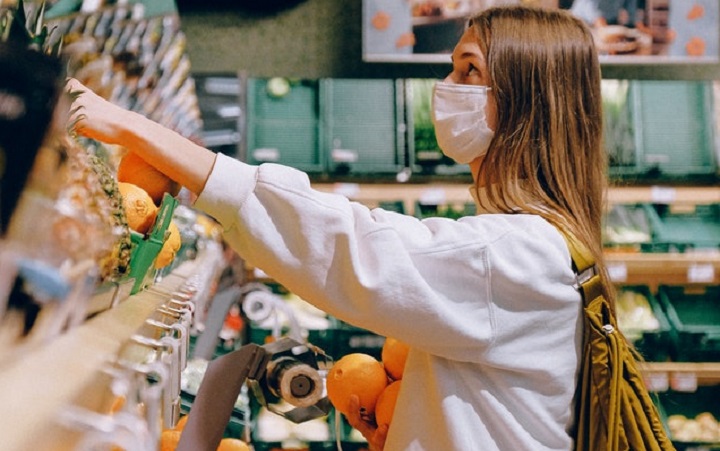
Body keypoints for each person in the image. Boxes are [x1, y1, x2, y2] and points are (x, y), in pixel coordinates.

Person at [67, 5, 617, 450]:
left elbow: (349, 243)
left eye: (468, 70)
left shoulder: (517, 253)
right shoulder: (537, 242)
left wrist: (128, 126)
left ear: (526, 99)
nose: (445, 85)